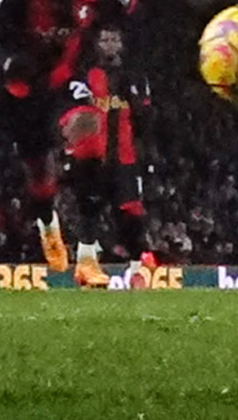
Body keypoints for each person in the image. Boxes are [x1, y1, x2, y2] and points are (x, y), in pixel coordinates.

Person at [0, 0, 139, 273]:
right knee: (40, 175)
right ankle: (48, 223)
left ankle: (88, 253)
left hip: (69, 82)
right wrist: (5, 62)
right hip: (22, 89)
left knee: (91, 147)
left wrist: (113, 50)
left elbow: (138, 14)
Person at [59, 23, 152, 286]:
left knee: (131, 213)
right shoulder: (83, 75)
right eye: (105, 39)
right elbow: (70, 110)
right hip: (90, 155)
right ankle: (86, 267)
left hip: (125, 157)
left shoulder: (134, 77)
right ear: (97, 44)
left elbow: (145, 119)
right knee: (88, 208)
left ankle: (137, 270)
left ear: (121, 44)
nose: (109, 44)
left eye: (114, 39)